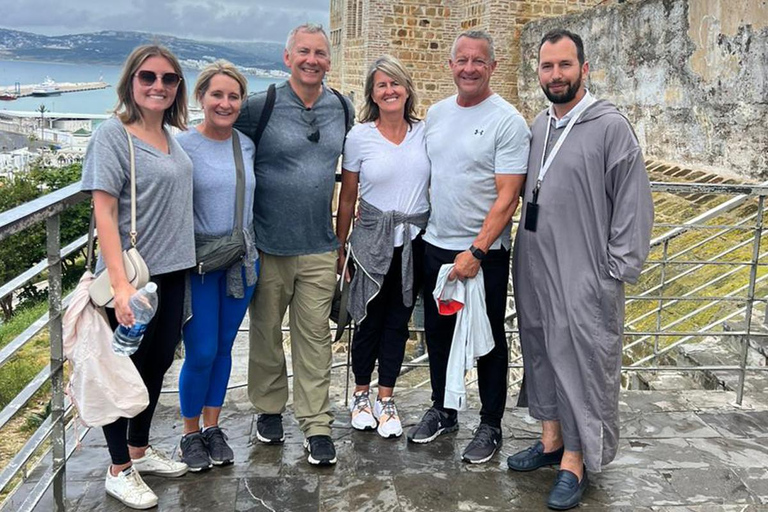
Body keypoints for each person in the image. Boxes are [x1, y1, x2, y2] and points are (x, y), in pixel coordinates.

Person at [509, 29, 653, 510]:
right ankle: (551, 440)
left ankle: (576, 458)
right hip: (534, 264)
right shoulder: (538, 125)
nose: (556, 75)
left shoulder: (611, 127)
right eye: (547, 67)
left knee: (581, 362)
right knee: (542, 351)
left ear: (584, 69)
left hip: (584, 269)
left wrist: (612, 271)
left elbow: (633, 205)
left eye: (565, 65)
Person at [407, 30, 530, 466]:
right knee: (438, 335)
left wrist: (476, 252)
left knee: (487, 340)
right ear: (451, 65)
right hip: (435, 246)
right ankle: (444, 410)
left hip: (483, 255)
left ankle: (491, 425)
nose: (469, 68)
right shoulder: (437, 115)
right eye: (462, 60)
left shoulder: (507, 121)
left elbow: (507, 195)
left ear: (493, 66)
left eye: (479, 61)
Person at [234, 23, 354, 466]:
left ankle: (316, 424)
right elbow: (214, 133)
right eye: (303, 52)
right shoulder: (258, 107)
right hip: (267, 245)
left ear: (329, 60)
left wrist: (343, 243)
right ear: (287, 58)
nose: (312, 60)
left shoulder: (343, 107)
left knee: (315, 340)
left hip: (320, 246)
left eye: (320, 53)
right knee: (265, 335)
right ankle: (268, 409)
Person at [81, 44, 194, 509]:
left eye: (168, 80)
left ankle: (138, 450)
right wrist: (121, 286)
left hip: (171, 271)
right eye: (148, 77)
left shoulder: (171, 135)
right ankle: (118, 469)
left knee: (155, 365)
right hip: (133, 280)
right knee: (118, 370)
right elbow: (104, 211)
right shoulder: (113, 135)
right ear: (131, 81)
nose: (158, 86)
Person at [336, 55, 430, 439]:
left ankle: (386, 397)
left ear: (407, 89)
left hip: (414, 241)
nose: (389, 91)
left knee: (398, 322)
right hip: (372, 240)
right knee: (368, 319)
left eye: (395, 83)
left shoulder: (425, 131)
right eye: (381, 85)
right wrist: (340, 247)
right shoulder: (359, 136)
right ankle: (361, 393)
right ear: (372, 94)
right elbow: (347, 197)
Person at [176, 60, 259, 472]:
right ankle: (190, 433)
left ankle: (213, 427)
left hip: (241, 262)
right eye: (217, 95)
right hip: (199, 264)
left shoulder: (245, 145)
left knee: (224, 347)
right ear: (200, 98)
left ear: (242, 101)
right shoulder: (182, 145)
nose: (225, 103)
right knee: (202, 349)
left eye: (233, 96)